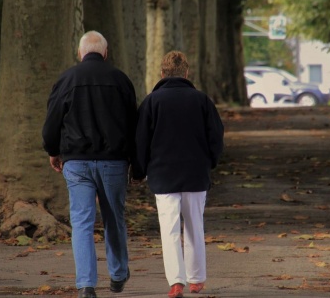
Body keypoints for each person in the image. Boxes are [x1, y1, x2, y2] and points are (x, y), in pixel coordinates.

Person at [42, 31, 138, 298]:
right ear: (105, 53)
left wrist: (53, 150)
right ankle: (118, 274)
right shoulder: (121, 80)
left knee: (82, 222)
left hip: (77, 162)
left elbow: (52, 122)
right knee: (114, 219)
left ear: (79, 52)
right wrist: (136, 163)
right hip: (114, 162)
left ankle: (86, 284)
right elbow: (134, 125)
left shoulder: (66, 79)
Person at [134, 51, 224, 298]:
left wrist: (139, 171)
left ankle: (176, 281)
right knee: (195, 225)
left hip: (163, 175)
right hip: (196, 173)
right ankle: (196, 279)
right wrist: (210, 162)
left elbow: (141, 141)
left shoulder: (152, 102)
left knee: (169, 229)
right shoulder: (202, 100)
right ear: (187, 73)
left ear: (162, 74)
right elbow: (216, 136)